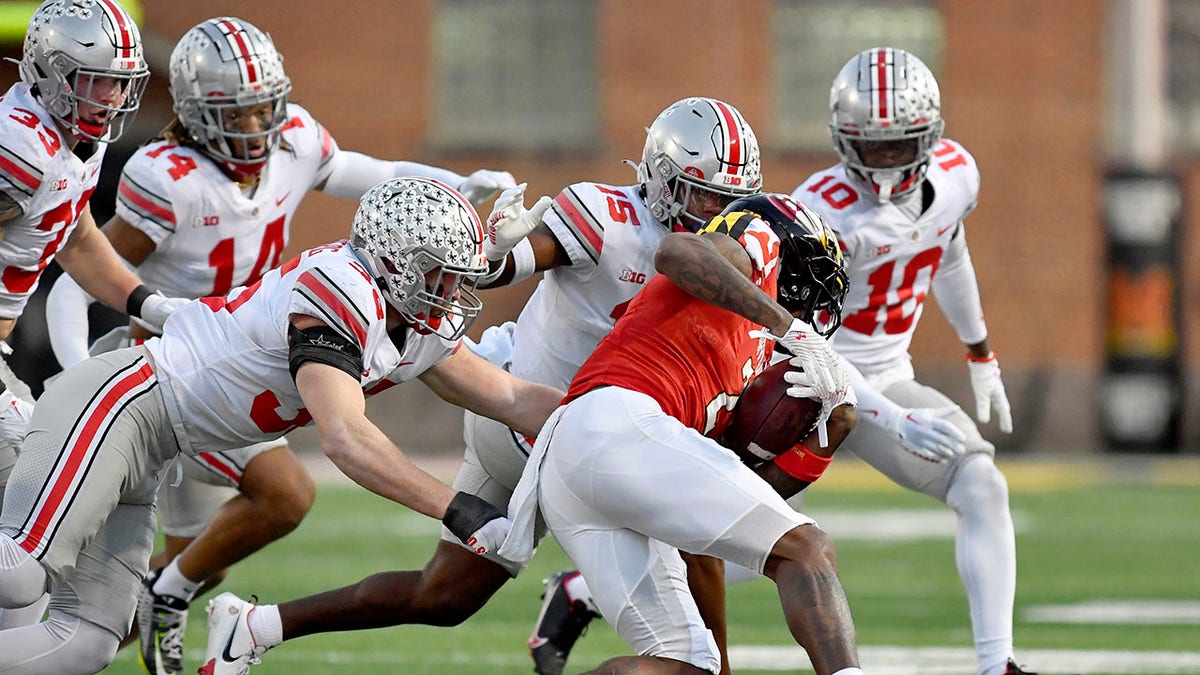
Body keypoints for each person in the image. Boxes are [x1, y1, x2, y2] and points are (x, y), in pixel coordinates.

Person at [194, 97, 775, 674]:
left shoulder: (731, 253)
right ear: (664, 178)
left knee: (444, 596)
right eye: (707, 196)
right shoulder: (607, 216)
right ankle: (671, 648)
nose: (718, 214)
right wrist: (499, 247)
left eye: (732, 201)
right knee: (695, 540)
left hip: (564, 424)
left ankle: (255, 627)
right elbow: (508, 266)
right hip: (532, 418)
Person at [39, 16, 515, 675]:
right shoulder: (167, 175)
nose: (260, 125)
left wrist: (454, 187)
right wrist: (75, 372)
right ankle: (137, 604)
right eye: (240, 111)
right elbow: (81, 279)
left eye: (268, 106)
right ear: (198, 113)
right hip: (183, 365)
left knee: (196, 559)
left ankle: (101, 627)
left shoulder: (295, 140)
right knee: (282, 492)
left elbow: (368, 173)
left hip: (253, 353)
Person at [0, 176, 562, 675]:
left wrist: (605, 419)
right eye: (438, 274)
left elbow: (512, 396)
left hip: (155, 444)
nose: (451, 292)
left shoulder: (409, 321)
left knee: (85, 643)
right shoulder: (340, 288)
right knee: (22, 574)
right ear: (396, 263)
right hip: (124, 402)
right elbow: (344, 436)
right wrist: (456, 507)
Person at [494, 193, 861, 675]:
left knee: (687, 668)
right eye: (812, 279)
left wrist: (828, 437)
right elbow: (676, 253)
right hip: (617, 421)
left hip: (578, 462)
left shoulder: (742, 360)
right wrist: (792, 329)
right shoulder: (754, 241)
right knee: (809, 549)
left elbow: (721, 520)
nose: (814, 302)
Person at [792, 47, 1033, 675]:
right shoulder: (818, 211)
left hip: (886, 378)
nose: (885, 162)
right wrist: (892, 419)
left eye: (899, 146)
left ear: (929, 137)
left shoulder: (956, 176)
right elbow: (800, 341)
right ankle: (585, 592)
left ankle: (996, 664)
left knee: (981, 483)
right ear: (842, 140)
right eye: (870, 147)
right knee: (747, 541)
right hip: (795, 386)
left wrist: (980, 352)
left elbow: (949, 254)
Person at [0, 0, 187, 641]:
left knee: (26, 564)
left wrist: (147, 304)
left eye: (121, 81)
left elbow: (76, 240)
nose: (114, 96)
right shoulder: (19, 148)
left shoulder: (69, 141)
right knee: (29, 545)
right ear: (52, 73)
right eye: (99, 79)